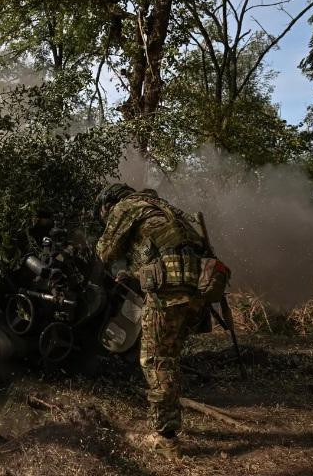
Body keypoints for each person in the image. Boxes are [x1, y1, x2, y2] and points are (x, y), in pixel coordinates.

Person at [94, 183, 214, 458]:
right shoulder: (169, 210)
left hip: (169, 293)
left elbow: (104, 252)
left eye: (102, 213)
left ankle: (166, 439)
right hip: (197, 292)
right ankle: (169, 424)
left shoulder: (126, 207)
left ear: (108, 204)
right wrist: (135, 275)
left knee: (155, 360)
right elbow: (171, 253)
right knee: (168, 359)